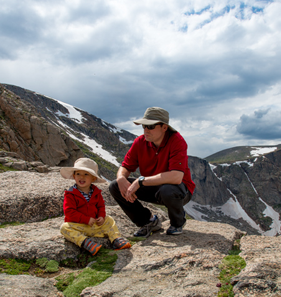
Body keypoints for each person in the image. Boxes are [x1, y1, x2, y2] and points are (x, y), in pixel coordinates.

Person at [109, 107, 195, 237]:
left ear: (164, 127)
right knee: (115, 186)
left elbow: (176, 177)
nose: (145, 130)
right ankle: (148, 222)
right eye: (144, 126)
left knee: (168, 190)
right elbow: (126, 166)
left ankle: (178, 222)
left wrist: (140, 181)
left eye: (151, 126)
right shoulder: (140, 142)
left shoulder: (177, 141)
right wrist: (121, 178)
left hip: (179, 191)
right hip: (153, 187)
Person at [60, 157, 132, 255]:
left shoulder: (96, 192)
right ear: (74, 176)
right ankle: (85, 242)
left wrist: (101, 216)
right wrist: (86, 219)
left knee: (109, 220)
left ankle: (116, 239)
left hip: (95, 225)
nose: (82, 177)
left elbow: (101, 206)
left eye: (86, 174)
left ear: (93, 178)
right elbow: (69, 212)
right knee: (64, 228)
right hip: (79, 225)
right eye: (78, 174)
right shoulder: (70, 194)